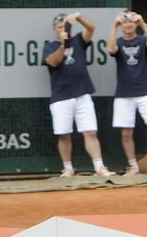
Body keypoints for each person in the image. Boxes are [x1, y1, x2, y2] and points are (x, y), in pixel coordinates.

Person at [42, 11, 111, 178]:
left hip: (82, 94)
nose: (62, 29)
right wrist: (63, 45)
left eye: (64, 27)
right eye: (59, 27)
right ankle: (68, 168)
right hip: (61, 97)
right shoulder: (49, 46)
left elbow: (92, 28)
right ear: (54, 29)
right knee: (64, 135)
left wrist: (78, 17)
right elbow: (54, 62)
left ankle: (99, 167)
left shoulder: (79, 40)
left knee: (90, 132)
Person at [105, 10, 147, 175]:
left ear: (134, 24)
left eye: (130, 22)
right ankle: (133, 165)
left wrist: (142, 23)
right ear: (121, 25)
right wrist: (114, 26)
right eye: (124, 22)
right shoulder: (119, 41)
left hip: (145, 91)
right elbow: (110, 48)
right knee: (126, 132)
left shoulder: (143, 40)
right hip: (124, 93)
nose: (128, 25)